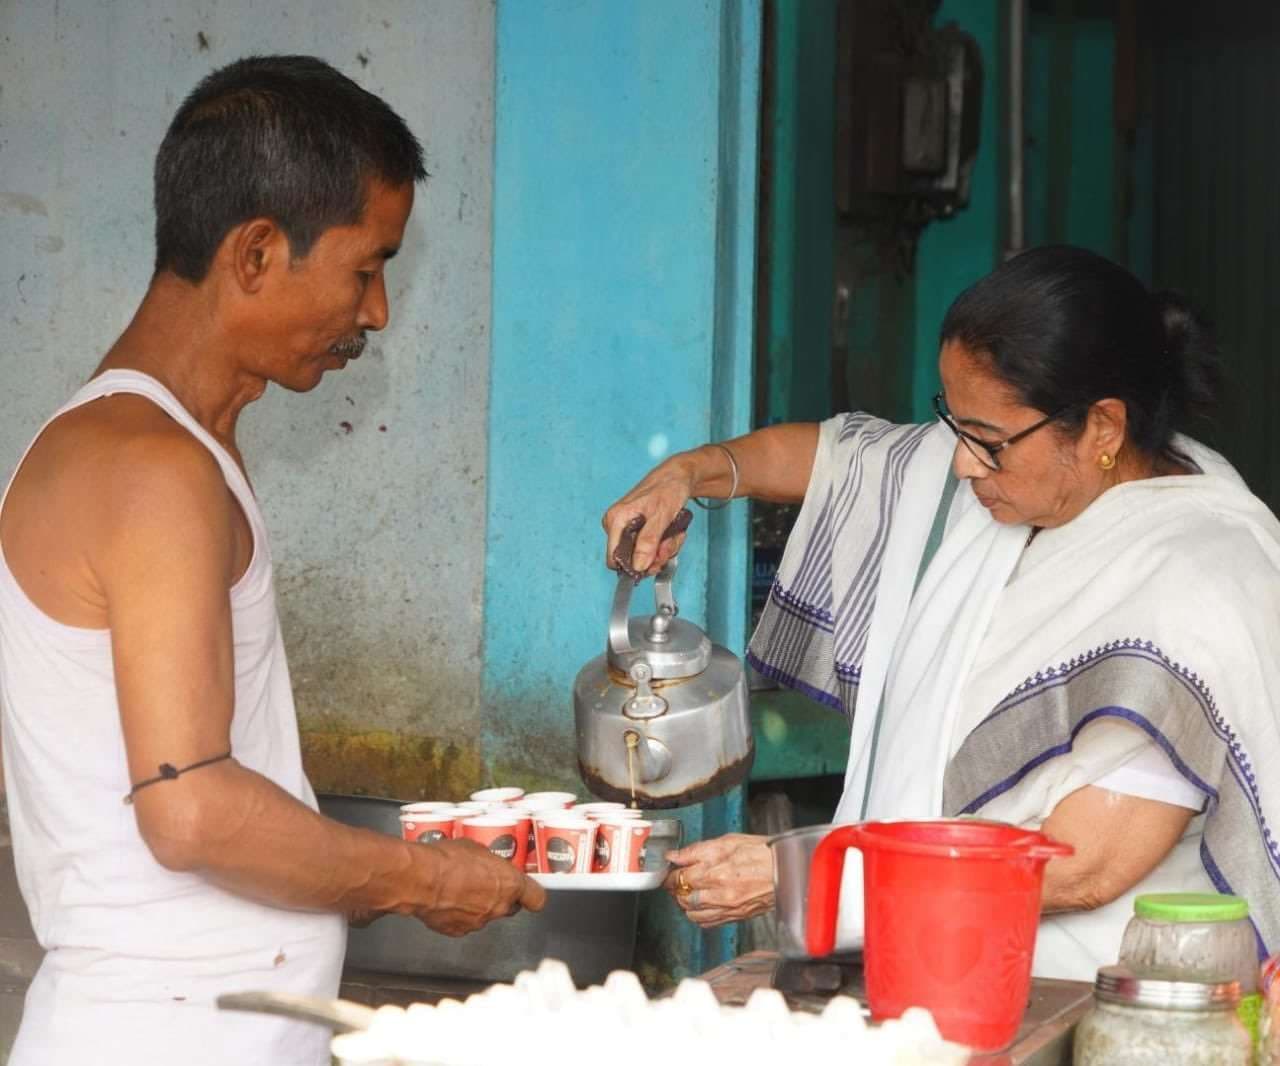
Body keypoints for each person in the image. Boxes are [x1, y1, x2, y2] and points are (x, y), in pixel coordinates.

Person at [0, 55, 544, 1066]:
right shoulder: (150, 468)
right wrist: (422, 879)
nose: (375, 312)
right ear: (255, 254)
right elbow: (192, 808)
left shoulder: (164, 450)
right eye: (365, 268)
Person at [603, 245, 1280, 980]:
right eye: (953, 424)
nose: (959, 464)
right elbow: (835, 458)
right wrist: (688, 474)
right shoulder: (998, 477)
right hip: (933, 970)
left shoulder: (1199, 574)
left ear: (1104, 429)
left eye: (987, 442)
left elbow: (1084, 865)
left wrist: (820, 874)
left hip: (1092, 999)